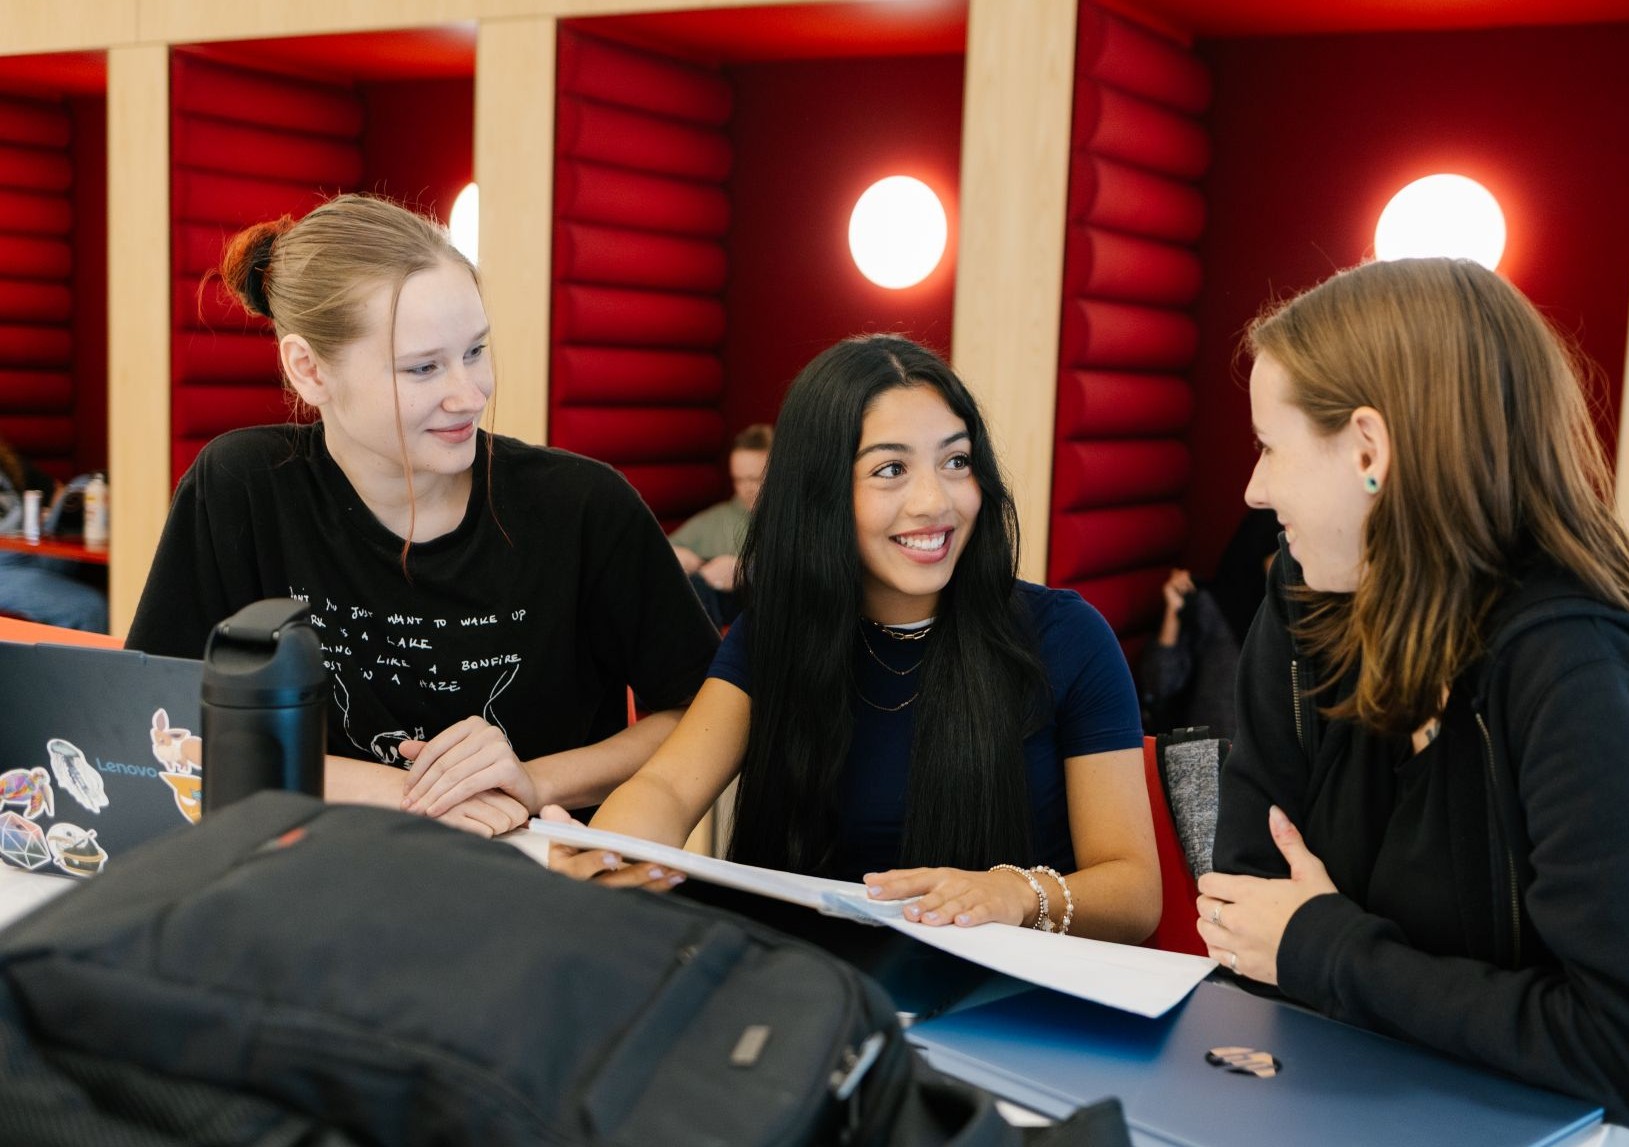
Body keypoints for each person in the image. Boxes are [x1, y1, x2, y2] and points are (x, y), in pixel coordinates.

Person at [1197, 258, 1629, 1143]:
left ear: (1369, 451)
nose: (1253, 490)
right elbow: (1246, 919)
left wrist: (1331, 947)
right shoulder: (1299, 606)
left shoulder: (1575, 670)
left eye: (1270, 445)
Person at [126, 194, 719, 838]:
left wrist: (534, 780)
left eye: (475, 351)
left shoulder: (583, 505)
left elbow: (701, 715)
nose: (468, 395)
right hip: (308, 875)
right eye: (423, 368)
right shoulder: (241, 486)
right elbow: (159, 724)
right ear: (308, 369)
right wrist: (403, 790)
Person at [534, 335, 1161, 941]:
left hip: (1006, 1011)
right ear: (822, 494)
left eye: (956, 460)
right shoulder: (776, 635)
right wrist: (610, 854)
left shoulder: (1068, 635)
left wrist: (1018, 894)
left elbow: (1134, 892)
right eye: (891, 469)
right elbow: (667, 786)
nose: (934, 500)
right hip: (819, 999)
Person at [1137, 507, 1279, 737]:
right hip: (1209, 759)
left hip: (1273, 764)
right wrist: (1173, 614)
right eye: (1281, 555)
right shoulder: (1212, 605)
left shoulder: (1302, 615)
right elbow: (1159, 683)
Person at [668, 423, 771, 626]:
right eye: (738, 480)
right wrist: (679, 558)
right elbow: (661, 553)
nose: (746, 489)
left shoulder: (796, 519)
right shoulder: (717, 518)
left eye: (755, 479)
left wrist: (744, 571)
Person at [0, 439, 108, 633]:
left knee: (84, 484)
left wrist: (48, 513)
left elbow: (56, 491)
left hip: (34, 549)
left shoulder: (5, 460)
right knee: (90, 608)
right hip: (4, 566)